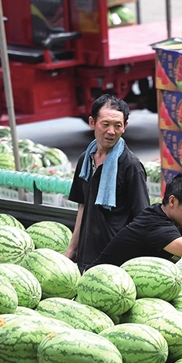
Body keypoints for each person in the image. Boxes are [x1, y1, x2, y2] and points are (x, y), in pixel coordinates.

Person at [65, 94, 150, 271]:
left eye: (117, 125)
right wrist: (73, 249)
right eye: (105, 124)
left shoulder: (131, 166)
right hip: (86, 255)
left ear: (125, 126)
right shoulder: (85, 160)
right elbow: (83, 206)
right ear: (92, 122)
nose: (111, 131)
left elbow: (142, 218)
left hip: (116, 261)